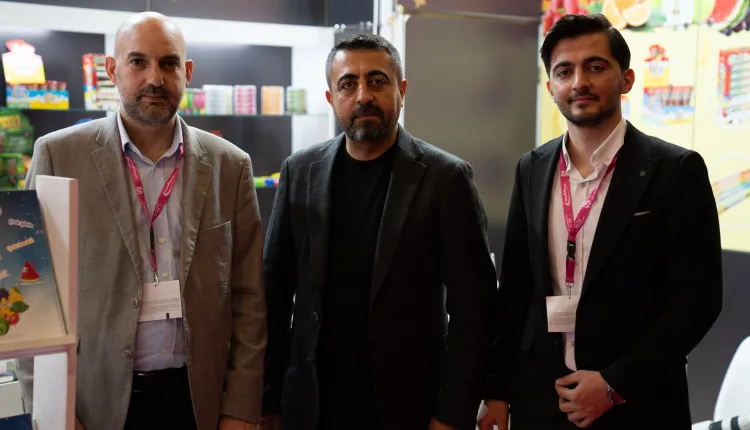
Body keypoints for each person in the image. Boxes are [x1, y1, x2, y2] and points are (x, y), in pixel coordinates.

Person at [17, 12, 266, 430]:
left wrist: (241, 410)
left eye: (169, 63)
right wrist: (54, 412)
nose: (155, 78)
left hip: (200, 403)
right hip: (94, 404)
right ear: (112, 69)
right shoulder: (57, 155)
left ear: (187, 72)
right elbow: (30, 294)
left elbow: (249, 299)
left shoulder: (230, 165)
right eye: (138, 62)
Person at [479, 13, 722, 430]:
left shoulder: (675, 170)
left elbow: (698, 298)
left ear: (626, 79)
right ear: (551, 86)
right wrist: (497, 390)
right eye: (564, 71)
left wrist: (615, 384)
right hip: (542, 398)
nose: (579, 82)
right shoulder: (532, 168)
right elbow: (516, 288)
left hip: (638, 402)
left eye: (595, 67)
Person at [260, 33, 497, 430]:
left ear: (401, 90)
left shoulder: (445, 178)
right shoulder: (299, 171)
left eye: (377, 81)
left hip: (408, 406)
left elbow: (474, 308)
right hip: (312, 405)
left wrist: (452, 412)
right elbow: (274, 293)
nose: (363, 96)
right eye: (348, 84)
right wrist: (268, 398)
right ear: (331, 97)